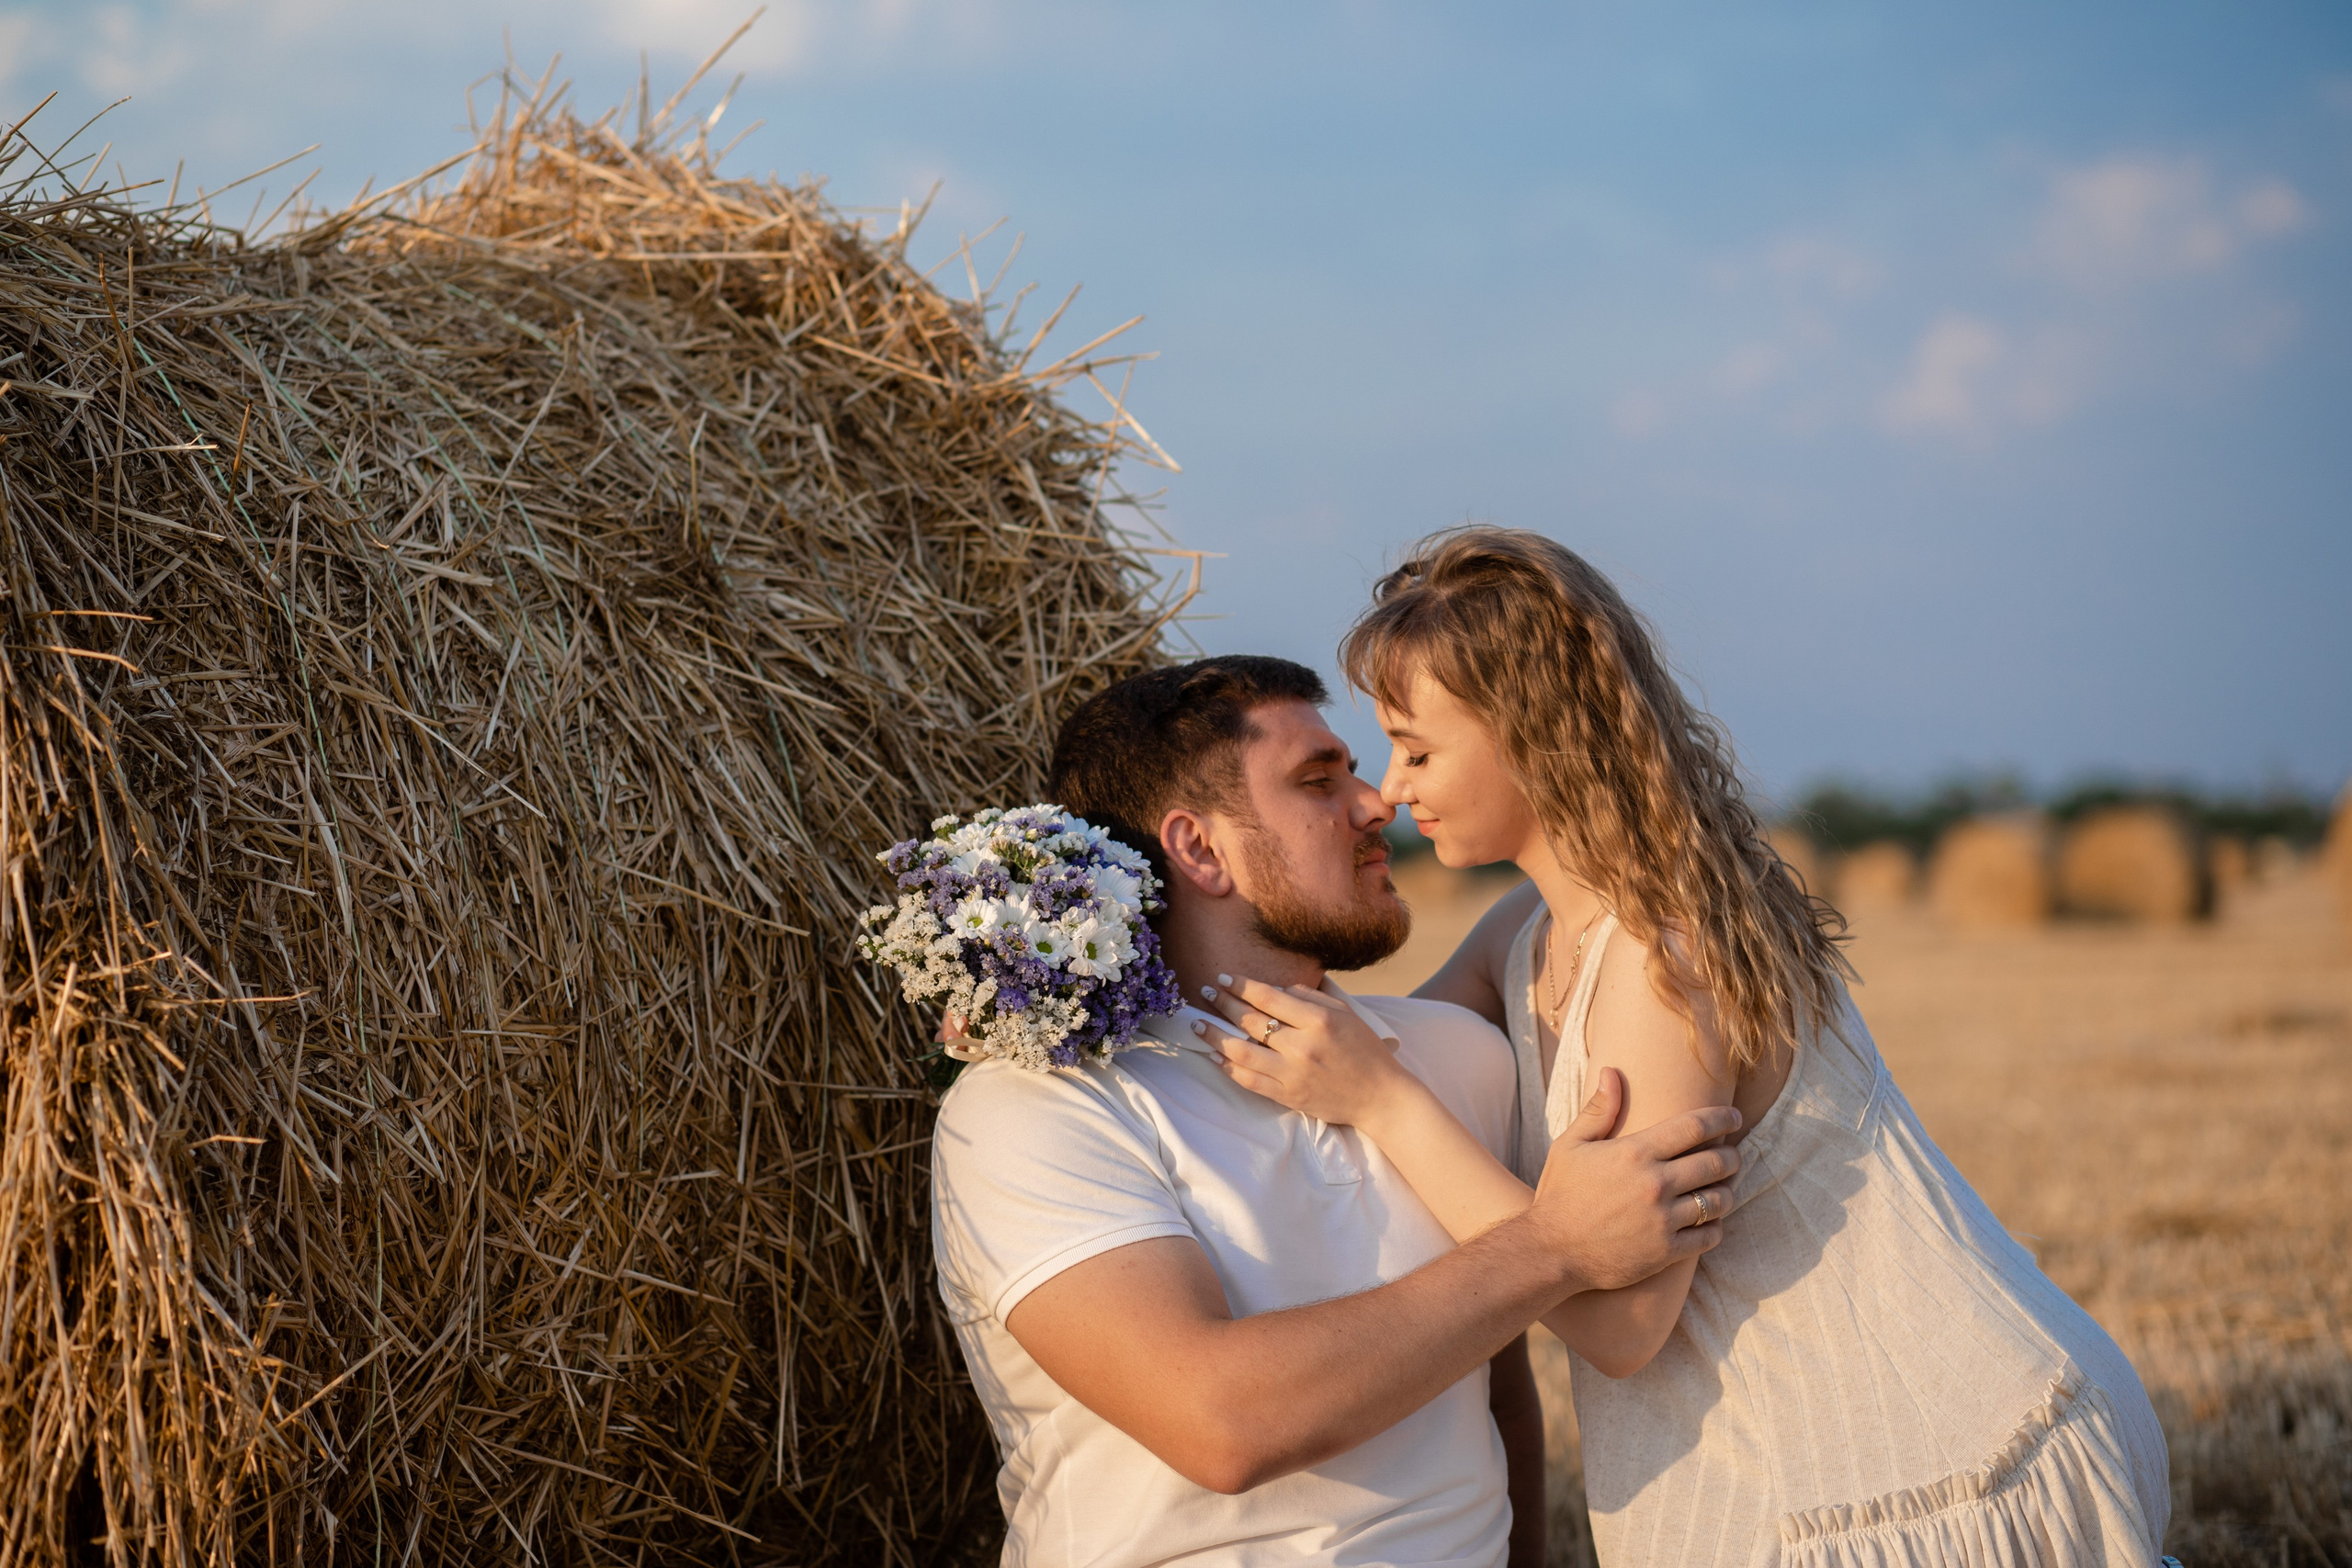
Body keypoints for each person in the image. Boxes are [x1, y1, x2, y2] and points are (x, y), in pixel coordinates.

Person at [1199, 530, 2172, 1567]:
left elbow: (1623, 1325)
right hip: (1793, 1463)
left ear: (1533, 734)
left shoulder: (1666, 958)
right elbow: (1352, 1056)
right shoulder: (1518, 939)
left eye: (1418, 748)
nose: (1389, 787)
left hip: (1933, 1465)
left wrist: (1387, 1104)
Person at [928, 655, 1744, 1567]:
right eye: (1320, 782)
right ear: (1198, 848)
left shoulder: (1453, 1059)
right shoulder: (1040, 1108)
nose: (1374, 803)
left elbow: (1491, 1384)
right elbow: (1221, 1424)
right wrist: (1553, 1244)